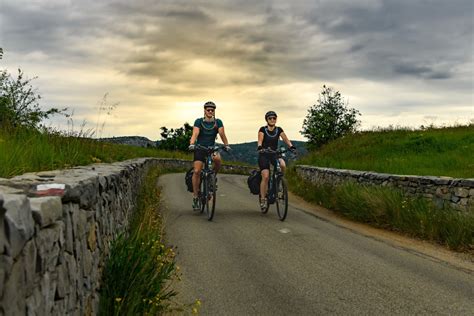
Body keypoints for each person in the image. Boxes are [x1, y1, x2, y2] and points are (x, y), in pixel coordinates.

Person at [188, 101, 231, 211]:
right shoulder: (198, 121)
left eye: (212, 110)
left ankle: (212, 177)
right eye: (208, 110)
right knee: (197, 171)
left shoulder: (218, 122)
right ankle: (195, 197)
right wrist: (192, 144)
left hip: (212, 148)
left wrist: (226, 145)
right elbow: (195, 133)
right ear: (204, 110)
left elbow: (222, 134)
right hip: (200, 148)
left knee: (217, 159)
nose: (210, 111)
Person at [257, 111, 296, 210]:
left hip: (274, 154)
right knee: (265, 176)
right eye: (270, 118)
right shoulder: (263, 129)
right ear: (267, 120)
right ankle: (263, 199)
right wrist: (260, 146)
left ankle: (278, 181)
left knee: (282, 165)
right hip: (264, 154)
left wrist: (291, 146)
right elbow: (260, 140)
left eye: (274, 118)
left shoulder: (279, 130)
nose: (272, 120)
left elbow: (285, 139)